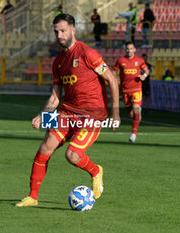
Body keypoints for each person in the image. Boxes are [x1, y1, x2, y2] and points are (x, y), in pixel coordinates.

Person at [16, 13, 120, 207]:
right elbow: (56, 95)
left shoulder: (87, 53)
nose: (59, 35)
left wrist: (115, 113)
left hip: (92, 115)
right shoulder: (58, 62)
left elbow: (112, 80)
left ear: (73, 30)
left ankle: (96, 171)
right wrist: (43, 114)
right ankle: (32, 197)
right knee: (45, 147)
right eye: (56, 32)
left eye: (63, 31)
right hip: (67, 112)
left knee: (72, 155)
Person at [112, 42, 149, 143]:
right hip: (125, 90)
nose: (129, 50)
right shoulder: (120, 60)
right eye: (127, 49)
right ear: (125, 50)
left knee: (135, 109)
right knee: (131, 113)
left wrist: (144, 76)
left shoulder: (139, 60)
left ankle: (133, 134)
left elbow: (146, 70)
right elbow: (114, 70)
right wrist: (115, 79)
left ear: (134, 49)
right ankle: (136, 114)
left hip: (136, 88)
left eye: (131, 48)